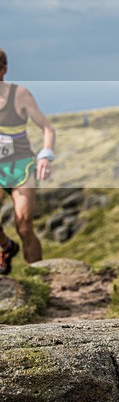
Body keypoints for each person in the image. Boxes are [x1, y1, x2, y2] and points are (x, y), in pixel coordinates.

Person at [0, 49, 56, 275]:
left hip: (20, 166)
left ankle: (38, 278)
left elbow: (47, 128)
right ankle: (6, 247)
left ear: (4, 69)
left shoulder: (20, 94)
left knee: (23, 225)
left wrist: (46, 154)